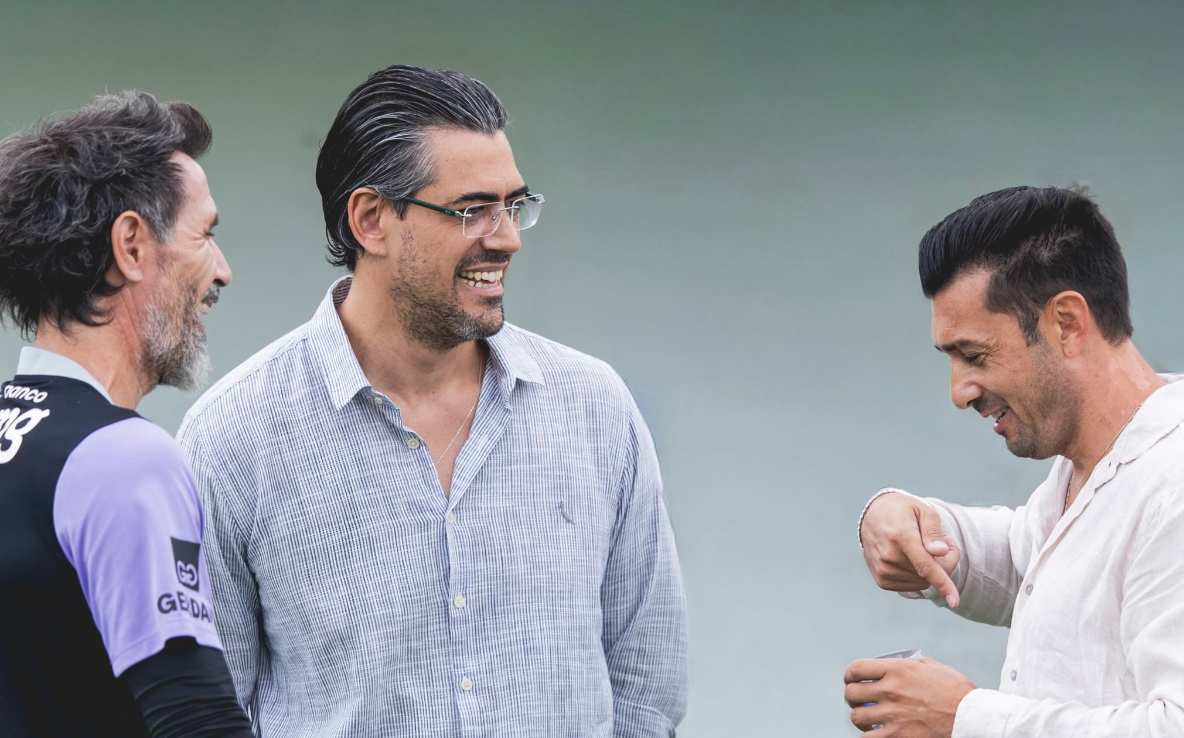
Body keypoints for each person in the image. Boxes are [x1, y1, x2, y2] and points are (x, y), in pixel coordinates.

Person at [177, 65, 687, 737]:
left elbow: (646, 694)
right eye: (472, 210)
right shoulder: (232, 439)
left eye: (515, 206)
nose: (507, 237)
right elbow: (207, 713)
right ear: (371, 220)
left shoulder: (595, 411)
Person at [846, 186, 1184, 737]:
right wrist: (904, 518)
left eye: (974, 355)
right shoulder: (1103, 457)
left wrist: (962, 718)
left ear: (1067, 323)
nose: (959, 392)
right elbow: (1036, 565)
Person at [0, 92, 251, 736]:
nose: (222, 271)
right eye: (205, 234)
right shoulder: (123, 457)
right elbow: (197, 719)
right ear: (132, 246)